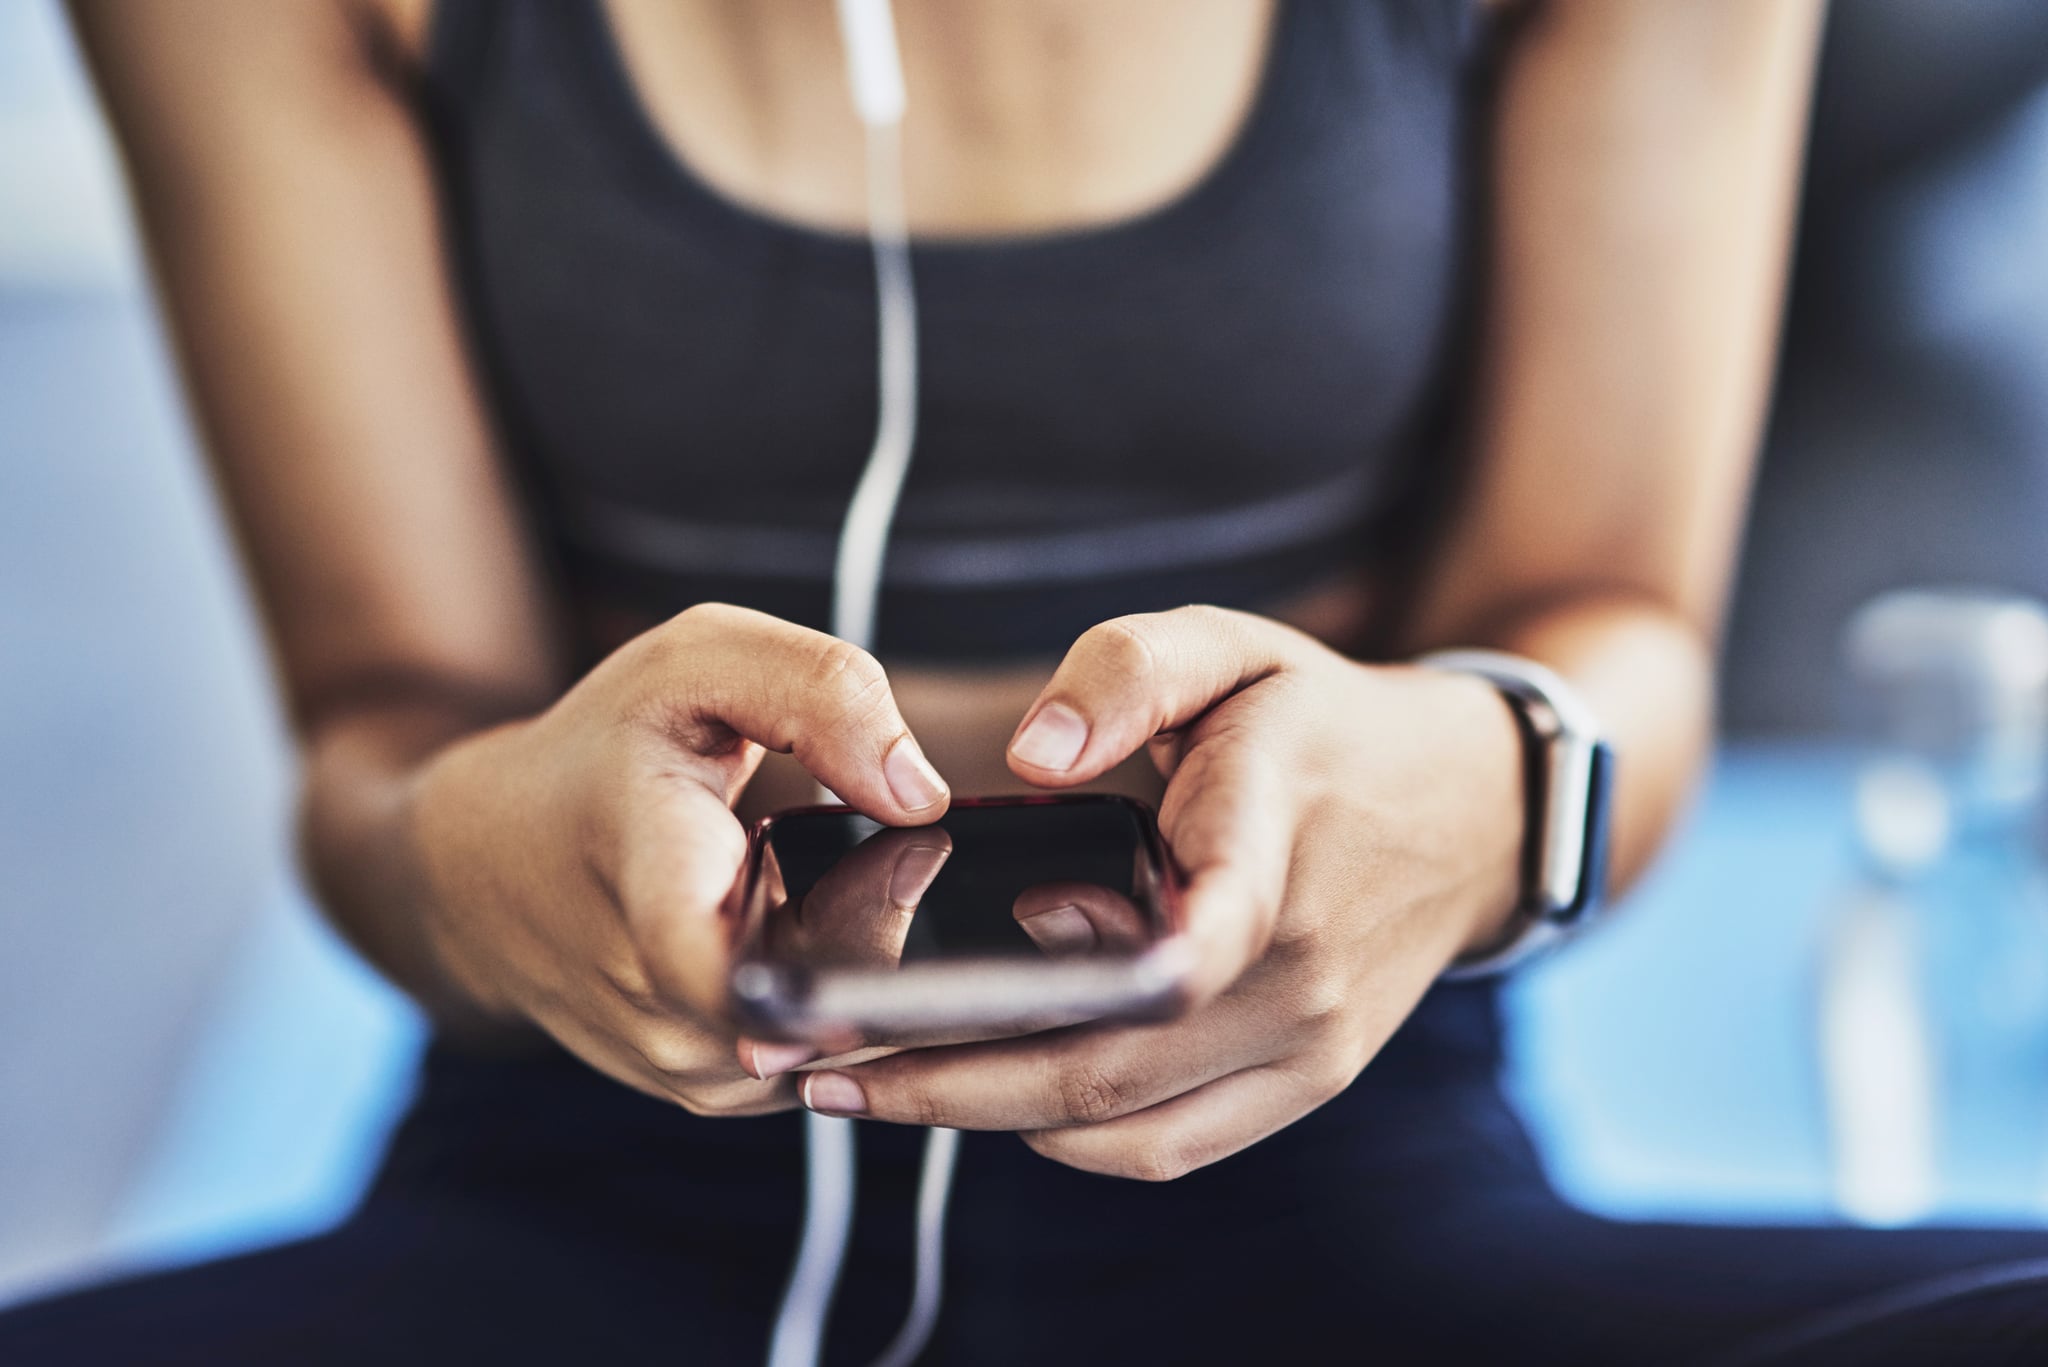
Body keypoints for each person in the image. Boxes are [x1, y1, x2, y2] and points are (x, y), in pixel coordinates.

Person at [8, 0, 2046, 1362]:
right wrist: (486, 840)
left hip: (1344, 1172)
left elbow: (1608, 614)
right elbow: (385, 722)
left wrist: (1475, 779)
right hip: (578, 1174)